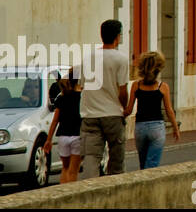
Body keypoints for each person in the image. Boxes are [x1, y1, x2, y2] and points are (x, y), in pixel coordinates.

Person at [78, 19, 130, 177]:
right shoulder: (120, 59)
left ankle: (89, 192)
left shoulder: (88, 58)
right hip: (112, 114)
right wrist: (125, 108)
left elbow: (81, 85)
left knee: (91, 158)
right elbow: (122, 90)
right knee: (116, 159)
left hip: (90, 115)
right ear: (117, 37)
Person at [124, 51, 180, 170]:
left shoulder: (136, 85)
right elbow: (169, 110)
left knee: (143, 164)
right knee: (152, 166)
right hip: (157, 127)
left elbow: (128, 110)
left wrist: (118, 116)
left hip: (140, 128)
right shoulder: (163, 87)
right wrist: (175, 127)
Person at [43, 70, 82, 183]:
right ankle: (71, 196)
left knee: (65, 168)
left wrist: (49, 139)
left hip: (63, 136)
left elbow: (55, 121)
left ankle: (62, 193)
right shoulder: (81, 97)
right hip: (77, 136)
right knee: (73, 170)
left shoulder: (61, 98)